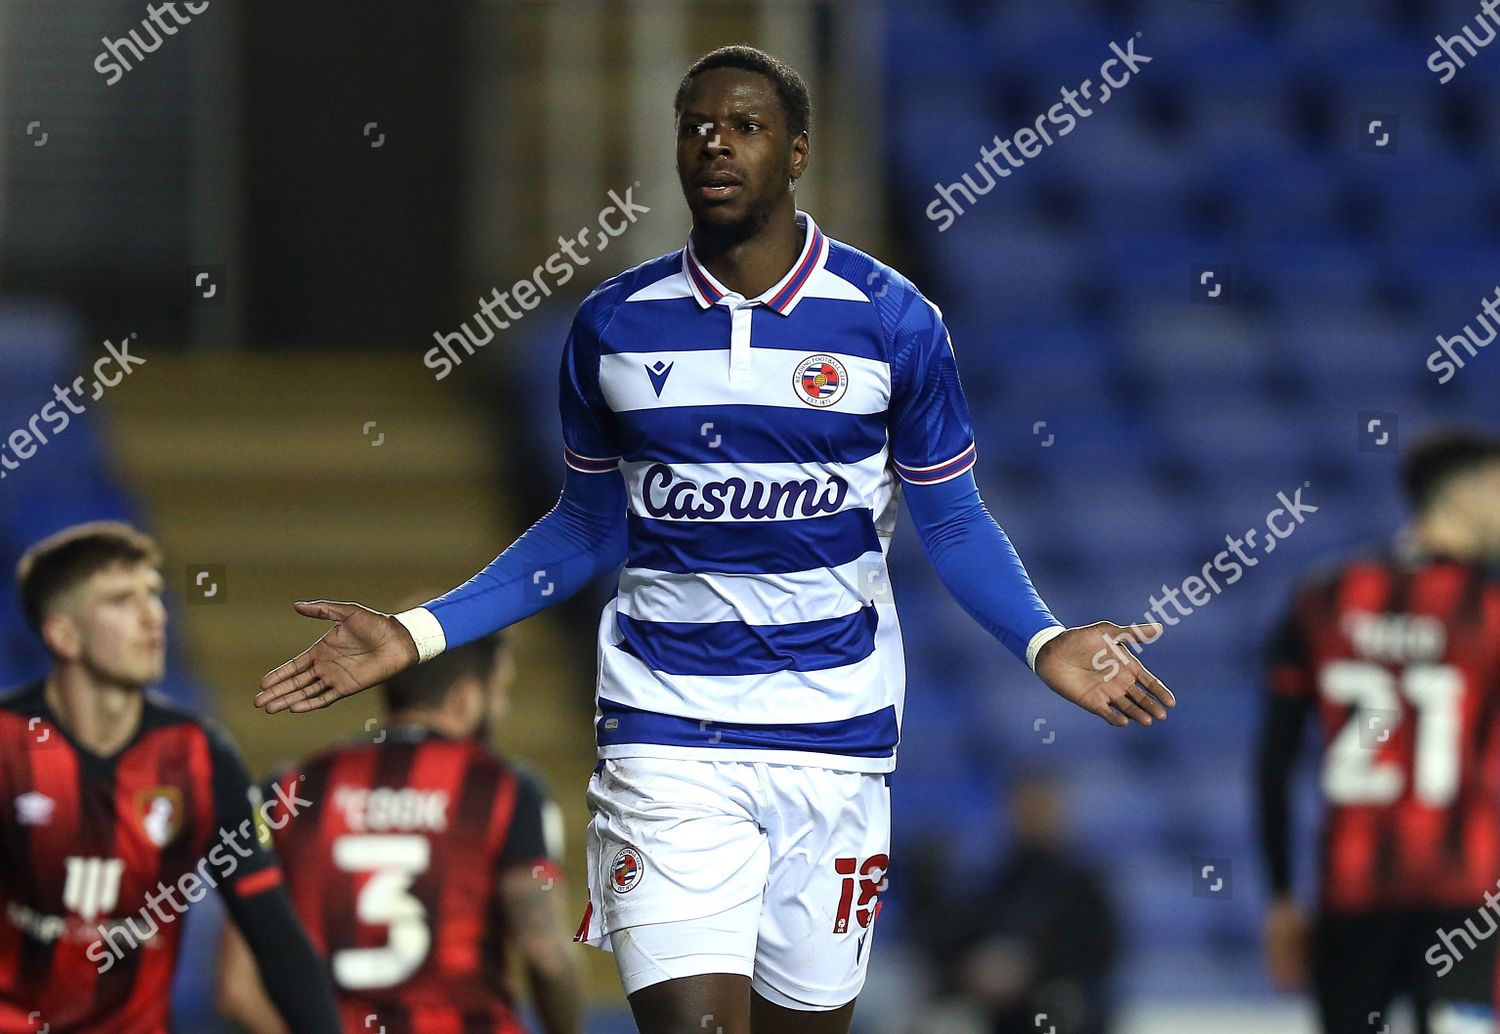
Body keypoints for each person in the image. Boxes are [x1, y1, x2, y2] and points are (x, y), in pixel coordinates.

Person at [253, 45, 1175, 1034]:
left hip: (836, 749)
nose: (716, 144)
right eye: (696, 126)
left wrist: (1042, 639)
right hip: (667, 740)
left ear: (799, 152)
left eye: (746, 126)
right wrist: (418, 632)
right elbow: (585, 524)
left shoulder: (892, 319)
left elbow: (949, 515)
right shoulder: (612, 325)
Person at [0, 521, 339, 1033]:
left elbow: (275, 938)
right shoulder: (7, 745)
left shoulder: (199, 755)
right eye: (120, 600)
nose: (153, 617)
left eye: (154, 594)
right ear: (63, 634)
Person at [217, 628, 580, 1033]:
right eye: (500, 691)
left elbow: (238, 991)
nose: (502, 707)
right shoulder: (505, 789)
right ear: (465, 697)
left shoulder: (289, 790)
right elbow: (547, 957)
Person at [1257, 428, 1500, 1034]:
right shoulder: (1491, 604)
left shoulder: (1324, 597)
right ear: (1462, 495)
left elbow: (1273, 762)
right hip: (1465, 899)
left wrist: (1283, 896)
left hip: (1350, 893)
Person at [912, 777, 1118, 1034]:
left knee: (1057, 1008)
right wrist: (977, 969)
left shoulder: (1083, 883)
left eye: (1041, 807)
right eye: (1024, 808)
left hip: (1052, 993)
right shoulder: (1000, 877)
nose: (1032, 817)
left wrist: (1029, 968)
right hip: (991, 1004)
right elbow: (962, 934)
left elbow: (1099, 951)